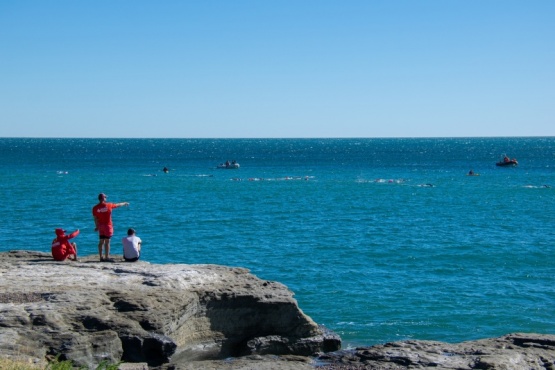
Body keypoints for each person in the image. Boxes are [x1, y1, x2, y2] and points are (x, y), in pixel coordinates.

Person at [92, 193, 129, 262]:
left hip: (100, 226)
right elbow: (118, 205)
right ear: (103, 198)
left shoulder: (95, 208)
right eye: (105, 197)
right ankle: (107, 257)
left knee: (101, 241)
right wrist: (124, 203)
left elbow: (95, 218)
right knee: (107, 242)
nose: (106, 198)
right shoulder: (109, 205)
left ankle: (101, 257)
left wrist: (97, 226)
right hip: (108, 226)